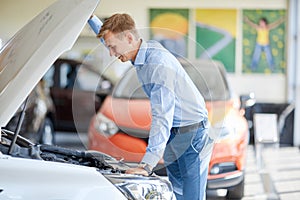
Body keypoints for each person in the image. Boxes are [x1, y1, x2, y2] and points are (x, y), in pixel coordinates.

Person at [88, 14, 213, 200]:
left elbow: (162, 115)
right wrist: (89, 17)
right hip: (174, 132)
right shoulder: (138, 51)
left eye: (113, 48)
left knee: (191, 196)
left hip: (192, 134)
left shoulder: (158, 65)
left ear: (129, 38)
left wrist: (147, 165)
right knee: (176, 192)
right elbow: (112, 38)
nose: (111, 54)